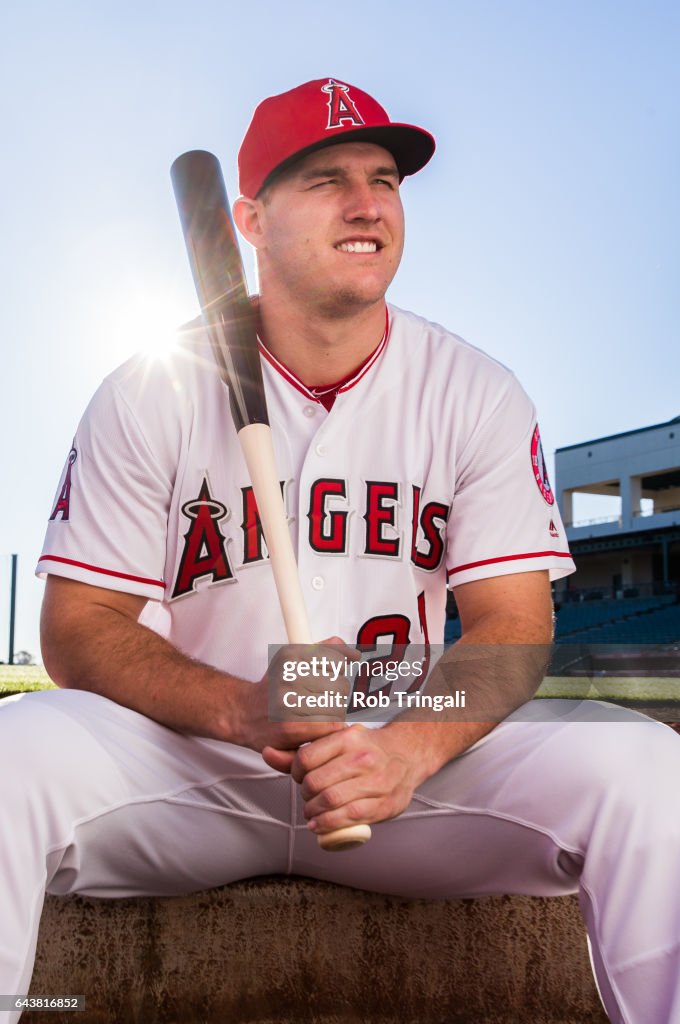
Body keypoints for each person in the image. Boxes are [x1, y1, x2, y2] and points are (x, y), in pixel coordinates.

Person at [2, 77, 679, 1024]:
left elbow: (513, 625)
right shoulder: (151, 387)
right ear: (250, 219)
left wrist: (408, 749)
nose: (367, 204)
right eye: (325, 180)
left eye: (384, 179)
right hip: (193, 767)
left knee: (646, 765)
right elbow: (77, 630)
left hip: (405, 763)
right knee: (9, 753)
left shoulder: (472, 389)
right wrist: (241, 708)